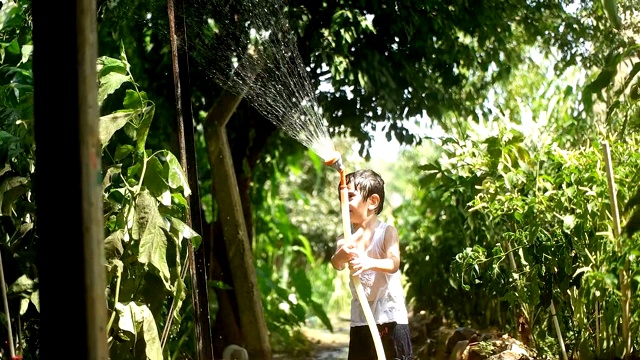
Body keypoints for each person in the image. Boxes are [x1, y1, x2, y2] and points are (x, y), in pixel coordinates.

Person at [330, 169, 413, 360]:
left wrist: (368, 262)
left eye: (350, 197)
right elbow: (337, 263)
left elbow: (393, 263)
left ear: (373, 202)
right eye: (341, 198)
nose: (344, 203)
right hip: (362, 318)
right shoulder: (345, 238)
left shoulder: (387, 232)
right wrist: (342, 255)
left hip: (390, 314)